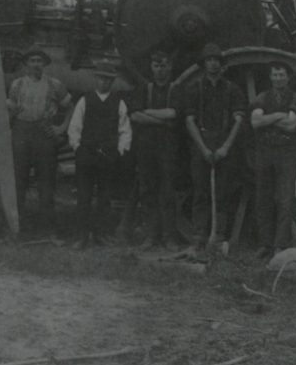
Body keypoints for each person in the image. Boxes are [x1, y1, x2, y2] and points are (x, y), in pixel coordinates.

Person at [183, 42, 246, 255]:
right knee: (200, 192)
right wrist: (202, 148)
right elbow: (189, 121)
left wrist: (225, 147)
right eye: (209, 60)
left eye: (216, 60)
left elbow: (238, 120)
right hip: (200, 143)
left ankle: (218, 237)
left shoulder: (232, 89)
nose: (212, 64)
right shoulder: (194, 89)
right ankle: (198, 238)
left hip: (224, 145)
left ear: (221, 64)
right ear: (203, 64)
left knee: (222, 193)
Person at [7, 46, 71, 234]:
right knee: (19, 181)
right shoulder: (16, 84)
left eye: (39, 61)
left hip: (44, 133)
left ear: (44, 64)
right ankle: (18, 226)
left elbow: (70, 106)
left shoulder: (54, 84)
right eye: (32, 61)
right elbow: (10, 111)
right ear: (26, 64)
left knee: (46, 182)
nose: (36, 64)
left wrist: (61, 127)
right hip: (22, 132)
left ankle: (47, 228)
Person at [67, 72, 132, 248]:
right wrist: (78, 148)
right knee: (84, 196)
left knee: (104, 197)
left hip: (108, 156)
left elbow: (125, 129)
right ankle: (81, 236)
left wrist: (119, 151)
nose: (104, 82)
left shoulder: (119, 102)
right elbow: (75, 127)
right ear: (95, 79)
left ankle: (101, 234)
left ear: (112, 81)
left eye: (108, 79)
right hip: (86, 155)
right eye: (101, 78)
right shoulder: (85, 100)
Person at [250, 61, 296, 257]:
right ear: (270, 77)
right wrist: (277, 115)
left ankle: (280, 245)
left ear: (288, 77)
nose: (278, 78)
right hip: (264, 152)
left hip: (286, 153)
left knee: (285, 198)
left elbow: (292, 125)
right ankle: (264, 244)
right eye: (274, 75)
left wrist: (267, 118)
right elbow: (255, 122)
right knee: (262, 198)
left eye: (281, 75)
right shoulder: (262, 97)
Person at [128, 48, 182, 249]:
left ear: (170, 66)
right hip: (146, 148)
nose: (160, 70)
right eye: (156, 65)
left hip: (168, 148)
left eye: (164, 65)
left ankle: (169, 237)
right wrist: (161, 119)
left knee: (168, 192)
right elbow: (134, 115)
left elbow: (174, 113)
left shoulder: (176, 89)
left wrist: (147, 114)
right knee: (148, 191)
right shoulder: (144, 88)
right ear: (151, 67)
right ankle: (151, 235)